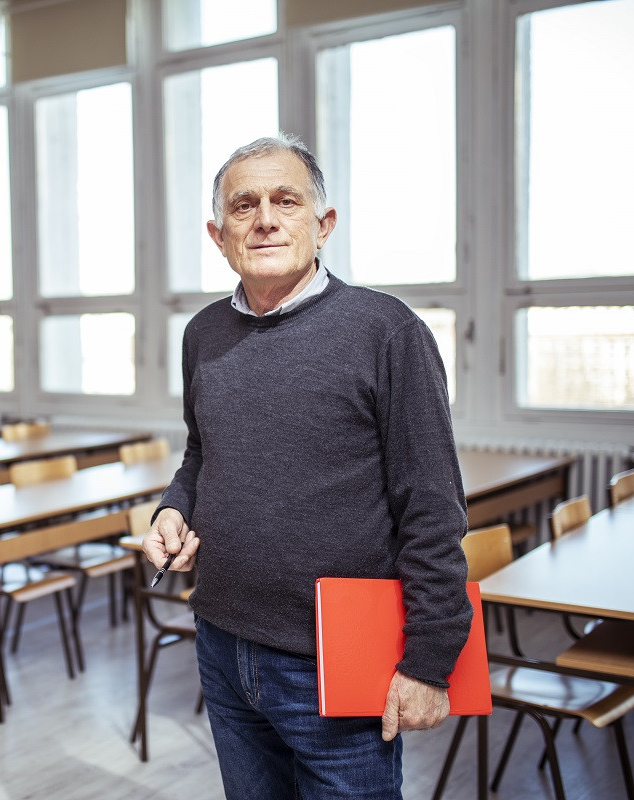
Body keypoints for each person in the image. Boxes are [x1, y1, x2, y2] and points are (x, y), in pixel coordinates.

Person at [143, 134, 471, 800]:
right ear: (218, 233)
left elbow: (432, 507)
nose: (264, 218)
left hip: (341, 656)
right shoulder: (202, 333)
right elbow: (202, 453)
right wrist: (174, 508)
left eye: (285, 200)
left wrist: (431, 663)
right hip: (222, 642)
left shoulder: (387, 331)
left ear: (322, 225)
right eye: (244, 205)